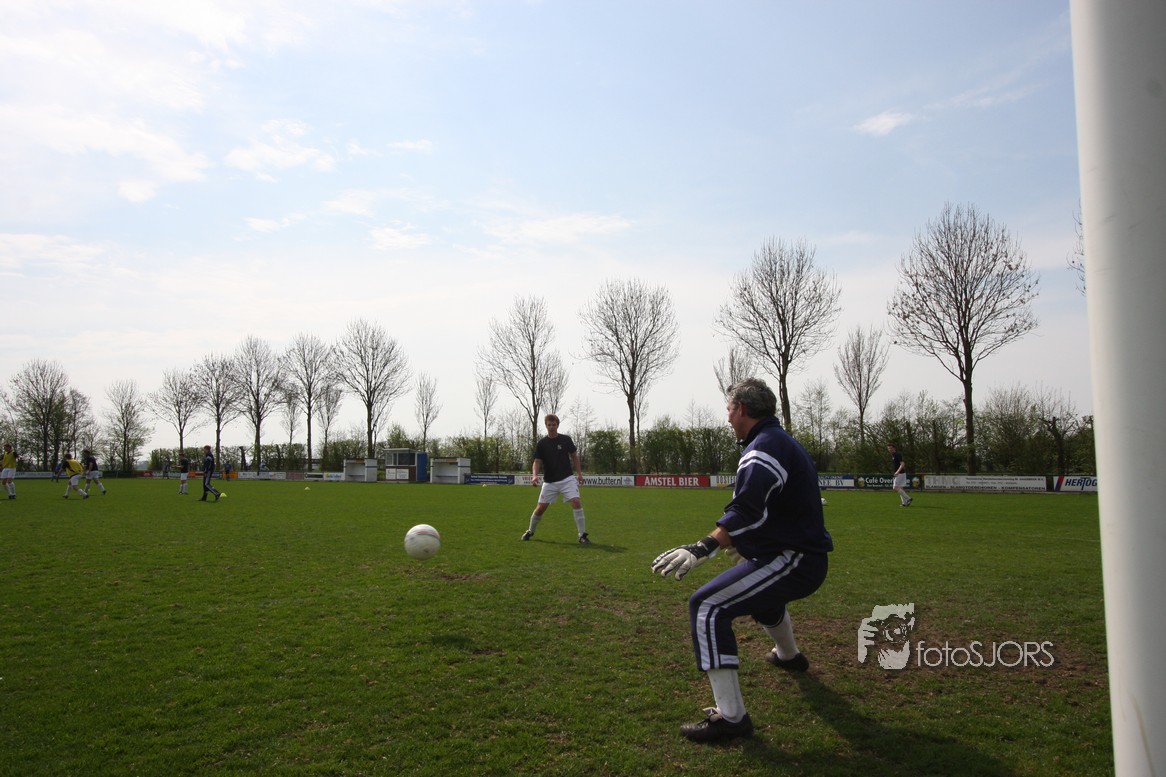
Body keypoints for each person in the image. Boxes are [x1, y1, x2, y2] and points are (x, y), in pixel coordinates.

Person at [651, 377, 833, 742]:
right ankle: (788, 656)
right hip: (798, 555)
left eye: (729, 410)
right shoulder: (777, 440)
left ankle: (732, 719)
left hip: (795, 559)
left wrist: (703, 547)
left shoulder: (763, 448)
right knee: (763, 599)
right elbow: (773, 508)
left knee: (707, 606)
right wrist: (749, 544)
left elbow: (747, 510)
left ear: (743, 410)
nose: (728, 418)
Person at [521, 414, 590, 544]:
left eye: (554, 424)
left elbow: (574, 457)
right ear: (546, 425)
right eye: (549, 425)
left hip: (567, 479)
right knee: (540, 508)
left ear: (557, 425)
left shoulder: (566, 440)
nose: (551, 427)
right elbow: (537, 461)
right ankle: (530, 531)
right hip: (550, 482)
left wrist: (580, 474)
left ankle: (582, 535)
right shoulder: (542, 443)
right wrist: (534, 475)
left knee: (576, 502)